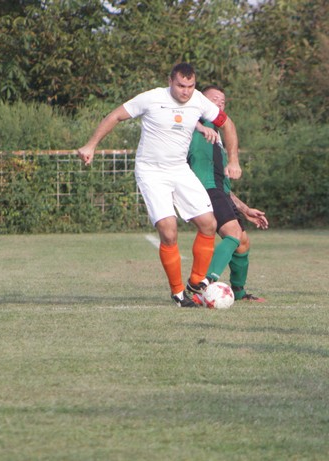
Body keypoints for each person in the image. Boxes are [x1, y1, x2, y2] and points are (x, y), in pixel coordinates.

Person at [76, 63, 239, 308]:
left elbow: (227, 124)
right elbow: (115, 116)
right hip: (151, 171)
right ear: (170, 81)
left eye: (191, 86)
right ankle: (178, 293)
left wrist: (233, 160)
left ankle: (196, 282)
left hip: (179, 169)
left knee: (209, 224)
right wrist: (91, 145)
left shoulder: (199, 101)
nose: (186, 91)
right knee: (168, 231)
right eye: (181, 85)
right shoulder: (151, 98)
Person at [188, 85, 268, 303]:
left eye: (223, 102)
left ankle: (239, 292)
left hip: (220, 191)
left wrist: (244, 208)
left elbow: (222, 183)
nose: (219, 104)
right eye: (214, 99)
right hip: (206, 189)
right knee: (233, 233)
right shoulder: (196, 124)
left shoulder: (216, 136)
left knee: (242, 242)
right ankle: (201, 286)